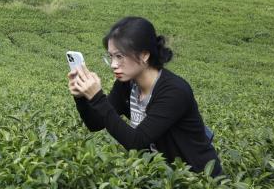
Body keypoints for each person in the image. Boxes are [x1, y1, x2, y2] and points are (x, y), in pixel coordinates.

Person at [68, 16, 222, 175]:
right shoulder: (126, 84)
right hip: (164, 176)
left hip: (199, 179)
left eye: (120, 56)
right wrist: (81, 97)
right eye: (111, 56)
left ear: (144, 55)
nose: (113, 65)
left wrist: (97, 98)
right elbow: (95, 123)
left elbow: (136, 141)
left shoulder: (174, 91)